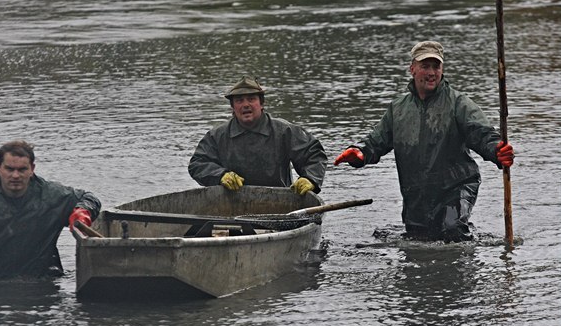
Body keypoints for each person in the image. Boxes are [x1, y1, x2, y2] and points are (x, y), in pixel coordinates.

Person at [334, 41, 515, 242]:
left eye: (436, 66)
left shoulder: (458, 103)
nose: (431, 72)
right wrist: (359, 154)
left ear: (442, 69)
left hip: (456, 187)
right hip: (416, 196)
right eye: (425, 66)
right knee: (418, 241)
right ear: (412, 69)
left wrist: (497, 151)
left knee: (452, 230)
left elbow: (482, 134)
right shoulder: (398, 109)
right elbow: (375, 142)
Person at [0, 140, 101, 280]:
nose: (15, 175)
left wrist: (82, 211)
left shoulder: (52, 196)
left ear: (32, 169)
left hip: (42, 280)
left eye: (22, 169)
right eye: (9, 169)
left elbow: (89, 198)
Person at [188, 75, 327, 195]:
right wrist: (220, 175)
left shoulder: (284, 131)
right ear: (233, 107)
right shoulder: (217, 136)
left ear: (261, 103)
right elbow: (197, 164)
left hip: (279, 204)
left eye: (251, 99)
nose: (246, 105)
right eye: (239, 100)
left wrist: (309, 178)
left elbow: (314, 154)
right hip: (231, 205)